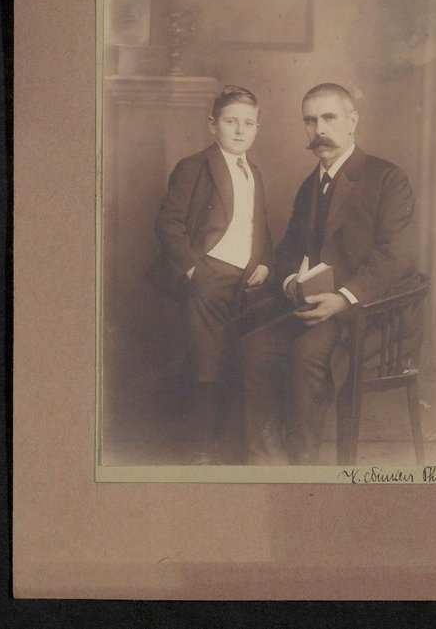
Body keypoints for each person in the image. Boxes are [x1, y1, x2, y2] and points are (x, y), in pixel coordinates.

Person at [239, 82, 416, 465]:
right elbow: (289, 250)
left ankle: (302, 464)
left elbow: (397, 254)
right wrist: (291, 282)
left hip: (368, 315)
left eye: (329, 118)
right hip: (313, 310)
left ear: (352, 121)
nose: (319, 129)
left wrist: (343, 298)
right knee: (253, 349)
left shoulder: (386, 178)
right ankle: (266, 460)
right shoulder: (310, 186)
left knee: (305, 354)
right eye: (310, 120)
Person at [152, 85, 272, 464]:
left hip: (244, 282)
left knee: (238, 357)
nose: (240, 130)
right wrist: (193, 269)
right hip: (208, 276)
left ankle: (230, 445)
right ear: (212, 124)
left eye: (248, 123)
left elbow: (259, 227)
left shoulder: (254, 173)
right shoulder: (195, 166)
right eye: (231, 121)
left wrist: (264, 262)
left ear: (257, 129)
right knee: (207, 361)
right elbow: (169, 222)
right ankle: (200, 450)